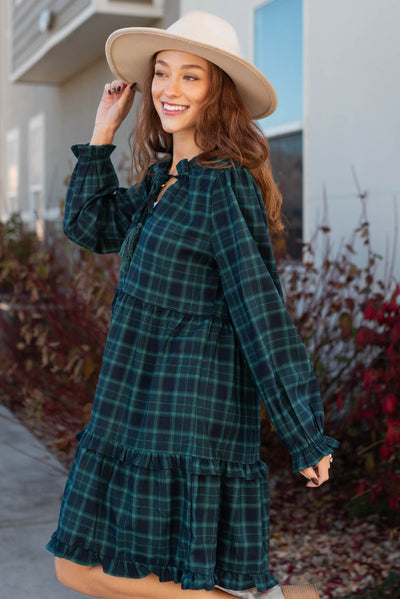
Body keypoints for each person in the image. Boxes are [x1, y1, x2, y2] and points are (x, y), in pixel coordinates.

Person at [47, 10, 338, 599]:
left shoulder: (223, 185)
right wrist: (103, 128)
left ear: (217, 94)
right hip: (133, 398)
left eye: (190, 77)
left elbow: (262, 312)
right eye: (161, 73)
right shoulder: (162, 182)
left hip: (187, 409)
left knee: (100, 571)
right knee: (80, 566)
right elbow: (87, 225)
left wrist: (303, 431)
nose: (168, 90)